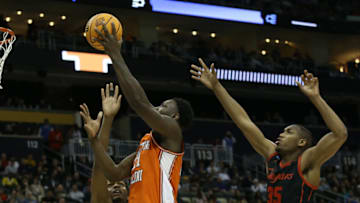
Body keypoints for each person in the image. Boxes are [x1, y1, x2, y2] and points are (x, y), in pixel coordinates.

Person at [190, 59, 348, 203]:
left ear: (302, 142)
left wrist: (316, 98)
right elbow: (244, 122)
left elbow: (340, 134)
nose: (281, 134)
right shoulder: (272, 157)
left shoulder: (307, 160)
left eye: (289, 132)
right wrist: (217, 87)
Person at [85, 23, 194, 203]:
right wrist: (94, 140)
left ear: (175, 117)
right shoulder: (145, 146)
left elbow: (140, 104)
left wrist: (115, 54)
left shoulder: (173, 132)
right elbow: (114, 173)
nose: (158, 108)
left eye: (164, 106)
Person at [80, 83, 128, 203]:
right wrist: (108, 119)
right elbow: (99, 165)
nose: (116, 186)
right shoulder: (101, 200)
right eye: (110, 185)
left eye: (121, 184)